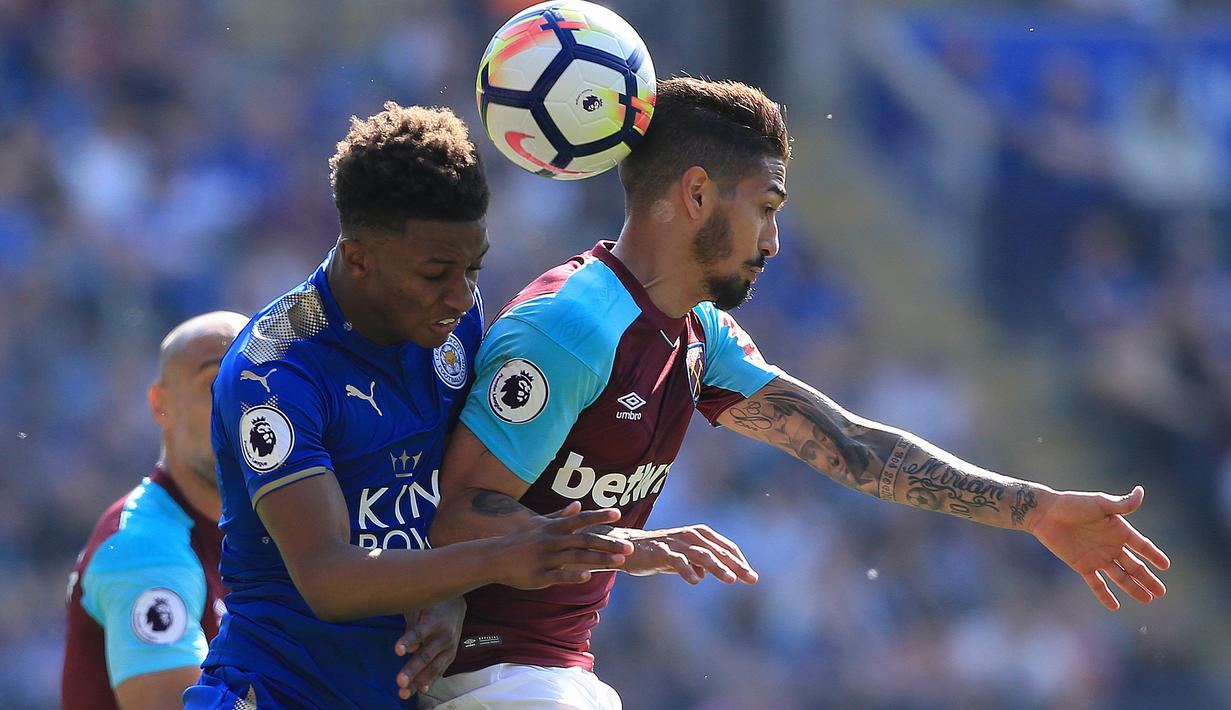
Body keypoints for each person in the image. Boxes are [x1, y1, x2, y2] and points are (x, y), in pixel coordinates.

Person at [423, 78, 1172, 708]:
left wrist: (1032, 509)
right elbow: (456, 516)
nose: (774, 242)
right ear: (694, 194)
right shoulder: (573, 327)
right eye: (767, 207)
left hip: (559, 670)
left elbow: (849, 447)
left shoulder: (696, 334)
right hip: (483, 671)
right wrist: (627, 547)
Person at [183, 102, 632, 710]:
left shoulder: (449, 321)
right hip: (275, 690)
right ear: (359, 255)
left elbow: (452, 497)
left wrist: (452, 592)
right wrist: (495, 559)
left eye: (474, 268)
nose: (461, 295)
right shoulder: (275, 370)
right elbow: (328, 577)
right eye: (435, 273)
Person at [62, 311, 248, 710]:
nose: (239, 405)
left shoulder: (262, 532)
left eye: (253, 382)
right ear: (161, 404)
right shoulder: (142, 548)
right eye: (215, 384)